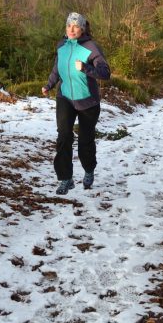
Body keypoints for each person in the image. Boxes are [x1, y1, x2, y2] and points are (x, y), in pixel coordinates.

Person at [42, 12, 111, 194]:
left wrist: (87, 67)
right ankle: (65, 179)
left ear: (82, 28)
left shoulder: (91, 47)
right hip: (65, 98)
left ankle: (89, 169)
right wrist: (49, 85)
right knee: (63, 137)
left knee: (85, 142)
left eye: (76, 26)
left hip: (88, 102)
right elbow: (57, 68)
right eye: (68, 26)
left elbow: (105, 73)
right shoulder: (62, 45)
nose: (71, 30)